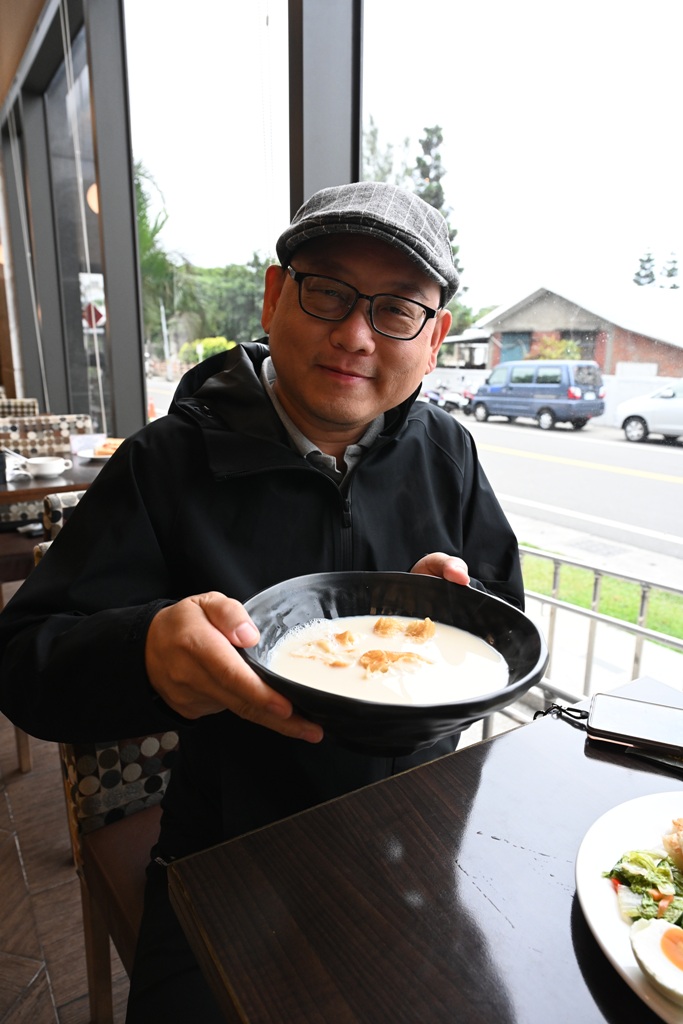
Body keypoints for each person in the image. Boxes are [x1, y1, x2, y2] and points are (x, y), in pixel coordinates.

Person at [0, 181, 524, 1020]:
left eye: (396, 310)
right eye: (328, 292)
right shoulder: (165, 463)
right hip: (230, 849)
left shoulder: (447, 452)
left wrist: (462, 617)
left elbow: (503, 609)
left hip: (421, 838)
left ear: (433, 342)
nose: (355, 335)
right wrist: (145, 653)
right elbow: (25, 660)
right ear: (276, 295)